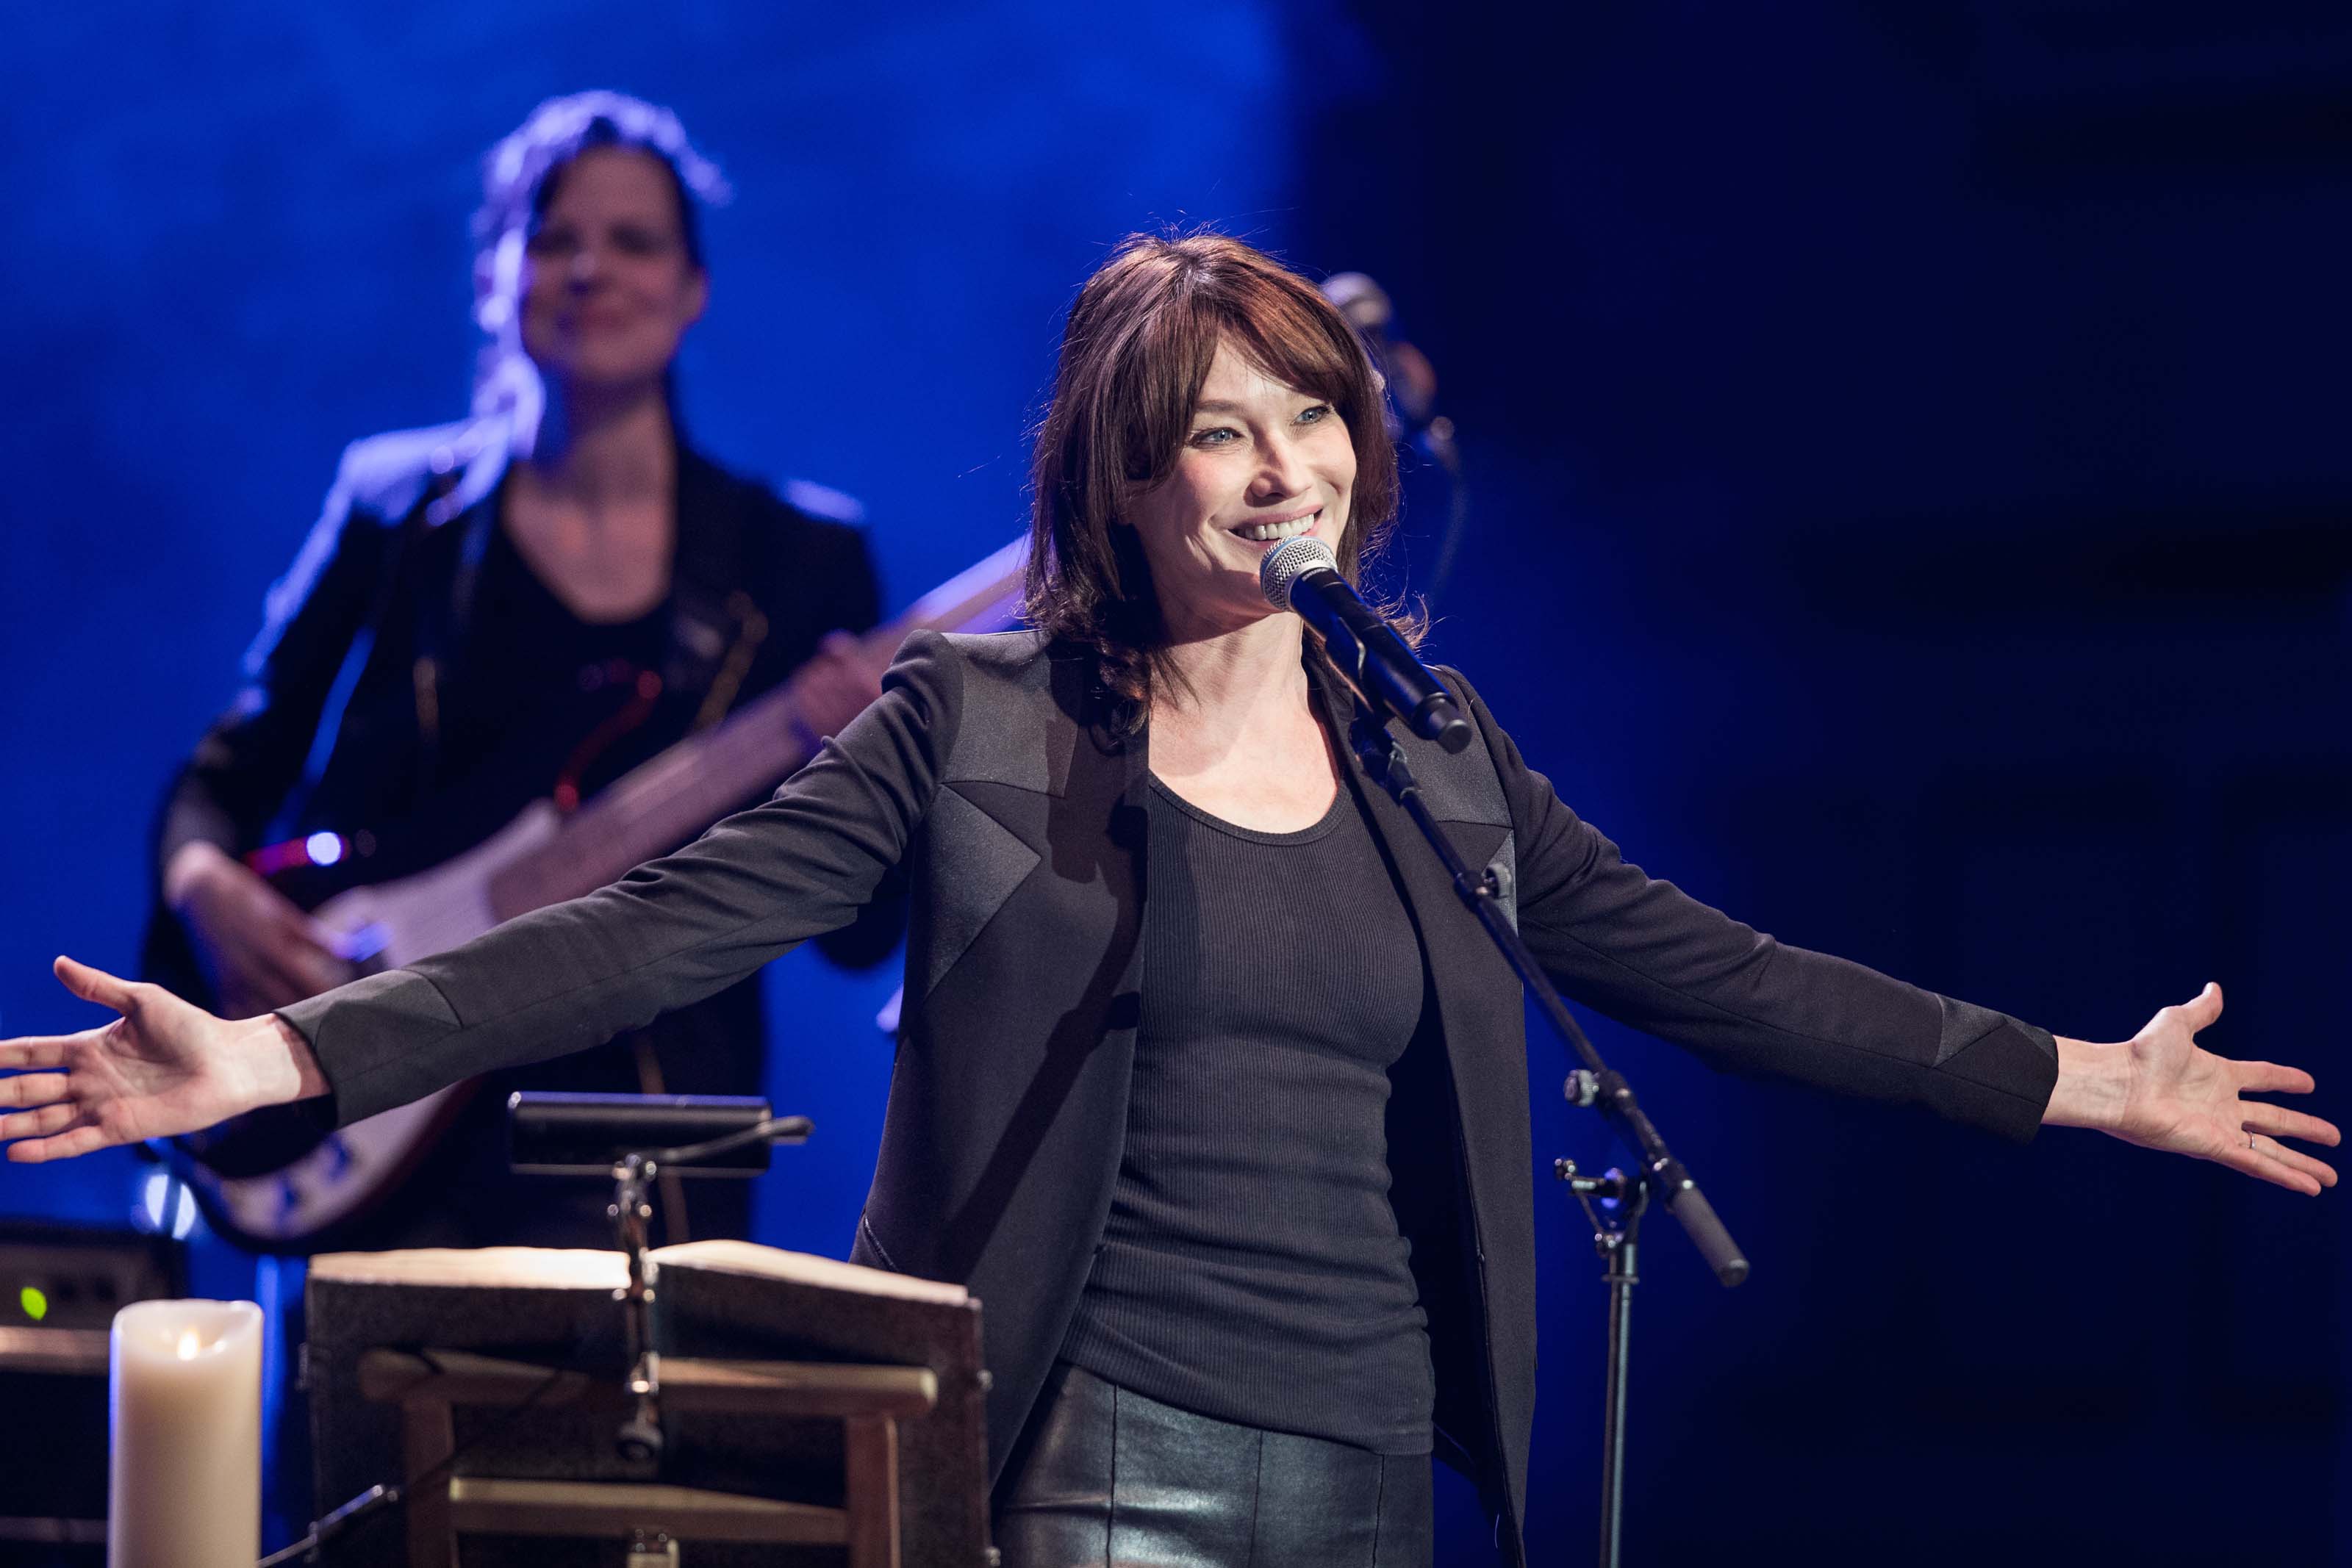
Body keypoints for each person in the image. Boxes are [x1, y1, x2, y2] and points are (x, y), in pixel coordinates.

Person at [3, 233, 2336, 1568]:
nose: (1284, 462)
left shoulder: (1426, 739)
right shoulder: (987, 726)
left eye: (1312, 418)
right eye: (1224, 424)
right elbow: (659, 924)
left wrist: (2072, 1077)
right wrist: (284, 1045)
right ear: (1124, 477)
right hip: (1093, 1451)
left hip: (1376, 1455)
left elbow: (1693, 962)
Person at [141, 91, 897, 1254]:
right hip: (379, 1097)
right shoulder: (395, 508)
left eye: (634, 239)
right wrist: (206, 888)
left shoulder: (797, 560)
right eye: (553, 238)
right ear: (497, 277)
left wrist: (865, 764)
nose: (590, 267)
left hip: (645, 1133)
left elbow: (857, 936)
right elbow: (232, 766)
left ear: (693, 290)